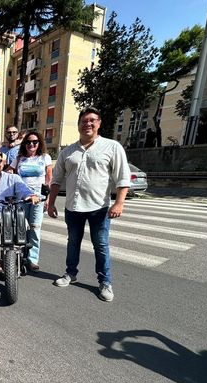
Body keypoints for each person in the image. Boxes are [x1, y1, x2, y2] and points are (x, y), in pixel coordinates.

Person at [47, 106, 131, 302]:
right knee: (73, 243)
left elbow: (122, 178)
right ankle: (70, 274)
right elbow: (56, 180)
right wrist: (50, 203)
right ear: (79, 125)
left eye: (92, 120)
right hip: (73, 207)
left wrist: (119, 203)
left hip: (99, 208)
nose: (88, 124)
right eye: (84, 121)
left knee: (101, 245)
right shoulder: (68, 151)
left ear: (99, 124)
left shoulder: (112, 147)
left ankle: (105, 282)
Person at [6, 131, 52, 272]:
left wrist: (48, 199)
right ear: (24, 144)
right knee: (19, 227)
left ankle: (32, 259)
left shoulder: (45, 158)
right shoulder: (19, 159)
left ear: (39, 144)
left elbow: (49, 179)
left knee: (35, 228)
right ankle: (18, 256)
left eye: (35, 142)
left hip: (38, 198)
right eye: (28, 142)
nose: (31, 144)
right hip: (21, 197)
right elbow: (8, 171)